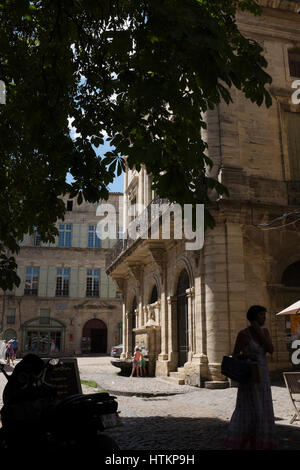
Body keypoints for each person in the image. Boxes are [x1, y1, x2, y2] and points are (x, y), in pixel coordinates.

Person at [224, 305, 278, 450]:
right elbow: (234, 355)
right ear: (254, 317)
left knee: (263, 407)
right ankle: (244, 438)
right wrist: (246, 355)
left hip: (263, 375)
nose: (264, 318)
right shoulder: (243, 334)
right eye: (261, 315)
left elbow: (270, 350)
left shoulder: (265, 332)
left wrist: (259, 332)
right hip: (249, 376)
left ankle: (261, 439)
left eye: (264, 315)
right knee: (248, 407)